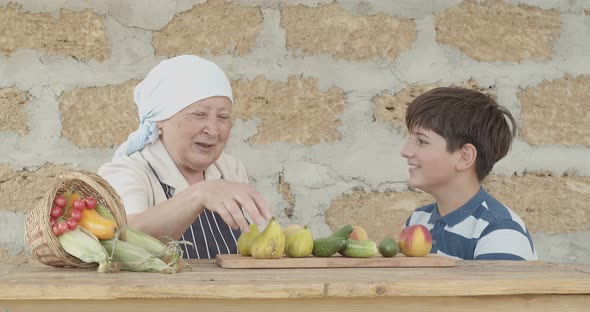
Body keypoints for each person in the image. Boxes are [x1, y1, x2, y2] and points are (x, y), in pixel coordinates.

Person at [98, 55, 271, 259]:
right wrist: (199, 195)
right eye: (199, 115)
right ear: (160, 120)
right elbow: (125, 238)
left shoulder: (230, 169)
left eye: (223, 117)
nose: (213, 130)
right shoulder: (126, 172)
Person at [400, 87, 536, 260]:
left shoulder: (501, 232)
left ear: (464, 157)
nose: (406, 151)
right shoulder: (418, 220)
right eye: (410, 139)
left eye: (421, 141)